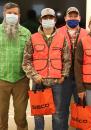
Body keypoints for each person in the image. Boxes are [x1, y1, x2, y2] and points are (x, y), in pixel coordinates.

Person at [22, 8, 71, 130]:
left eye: (50, 18)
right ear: (40, 20)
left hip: (57, 82)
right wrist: (34, 76)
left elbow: (67, 60)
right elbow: (26, 62)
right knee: (38, 114)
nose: (48, 20)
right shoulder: (32, 38)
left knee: (58, 114)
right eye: (45, 18)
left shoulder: (62, 38)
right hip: (39, 81)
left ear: (54, 20)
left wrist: (63, 75)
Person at [0, 2, 31, 130]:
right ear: (4, 14)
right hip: (1, 80)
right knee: (1, 116)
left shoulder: (26, 33)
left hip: (21, 80)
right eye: (9, 13)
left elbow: (31, 56)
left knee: (20, 116)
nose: (12, 15)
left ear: (19, 15)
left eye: (15, 13)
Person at [58, 7, 88, 129]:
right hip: (64, 76)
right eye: (70, 16)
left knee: (81, 106)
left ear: (79, 18)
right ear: (65, 18)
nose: (73, 18)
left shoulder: (87, 34)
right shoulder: (57, 32)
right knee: (62, 108)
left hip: (81, 76)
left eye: (75, 16)